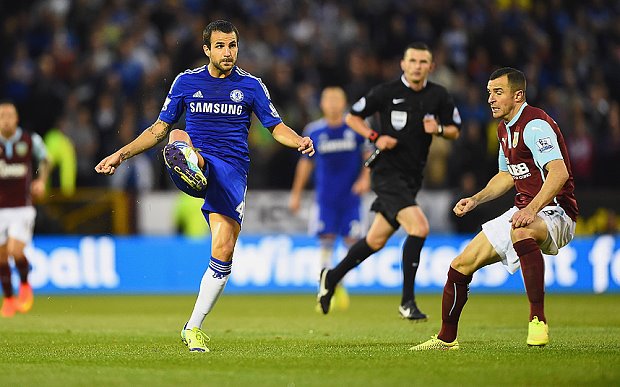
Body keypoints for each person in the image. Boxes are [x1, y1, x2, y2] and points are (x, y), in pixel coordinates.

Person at [95, 20, 314, 352]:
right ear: (207, 50)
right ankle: (187, 160)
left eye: (233, 46)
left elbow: (276, 126)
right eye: (221, 46)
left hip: (232, 173)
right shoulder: (186, 82)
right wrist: (120, 154)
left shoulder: (252, 86)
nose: (228, 52)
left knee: (224, 251)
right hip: (200, 162)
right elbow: (157, 128)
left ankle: (192, 327)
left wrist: (298, 140)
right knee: (175, 134)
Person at [410, 67, 578, 350]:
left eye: (498, 92)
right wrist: (475, 199)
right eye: (489, 92)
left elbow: (558, 173)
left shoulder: (535, 124)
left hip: (556, 210)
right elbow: (506, 176)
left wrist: (531, 209)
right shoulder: (504, 128)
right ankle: (446, 339)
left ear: (518, 95)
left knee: (521, 231)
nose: (490, 99)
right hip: (526, 209)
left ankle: (538, 320)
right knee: (461, 265)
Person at [316, 42, 461, 320]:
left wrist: (440, 129)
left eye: (423, 62)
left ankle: (331, 278)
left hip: (411, 178)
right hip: (386, 174)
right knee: (419, 228)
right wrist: (375, 137)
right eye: (413, 61)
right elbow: (352, 117)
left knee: (375, 240)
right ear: (403, 64)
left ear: (431, 67)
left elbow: (456, 129)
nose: (417, 66)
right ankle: (407, 302)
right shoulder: (386, 92)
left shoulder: (439, 96)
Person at [289, 86, 371, 312]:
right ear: (322, 104)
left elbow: (369, 156)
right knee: (325, 241)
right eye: (329, 100)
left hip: (351, 198)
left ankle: (338, 282)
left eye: (337, 99)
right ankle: (328, 287)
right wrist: (296, 194)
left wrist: (365, 179)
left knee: (351, 243)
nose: (333, 104)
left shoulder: (355, 127)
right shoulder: (314, 131)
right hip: (325, 199)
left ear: (344, 103)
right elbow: (305, 165)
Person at [0, 101, 49, 318]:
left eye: (10, 115)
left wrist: (42, 181)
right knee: (1, 258)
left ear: (17, 118)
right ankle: (9, 299)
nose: (7, 119)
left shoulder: (30, 139)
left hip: (22, 206)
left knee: (15, 251)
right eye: (2, 115)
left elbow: (46, 159)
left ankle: (25, 284)